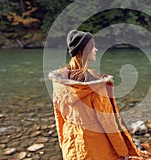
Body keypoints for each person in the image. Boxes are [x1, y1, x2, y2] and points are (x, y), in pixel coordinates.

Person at [49, 30, 141, 160]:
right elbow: (108, 123)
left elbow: (59, 118)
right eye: (93, 47)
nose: (96, 50)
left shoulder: (59, 82)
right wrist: (123, 151)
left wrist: (64, 143)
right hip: (97, 149)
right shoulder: (96, 85)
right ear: (84, 50)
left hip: (71, 145)